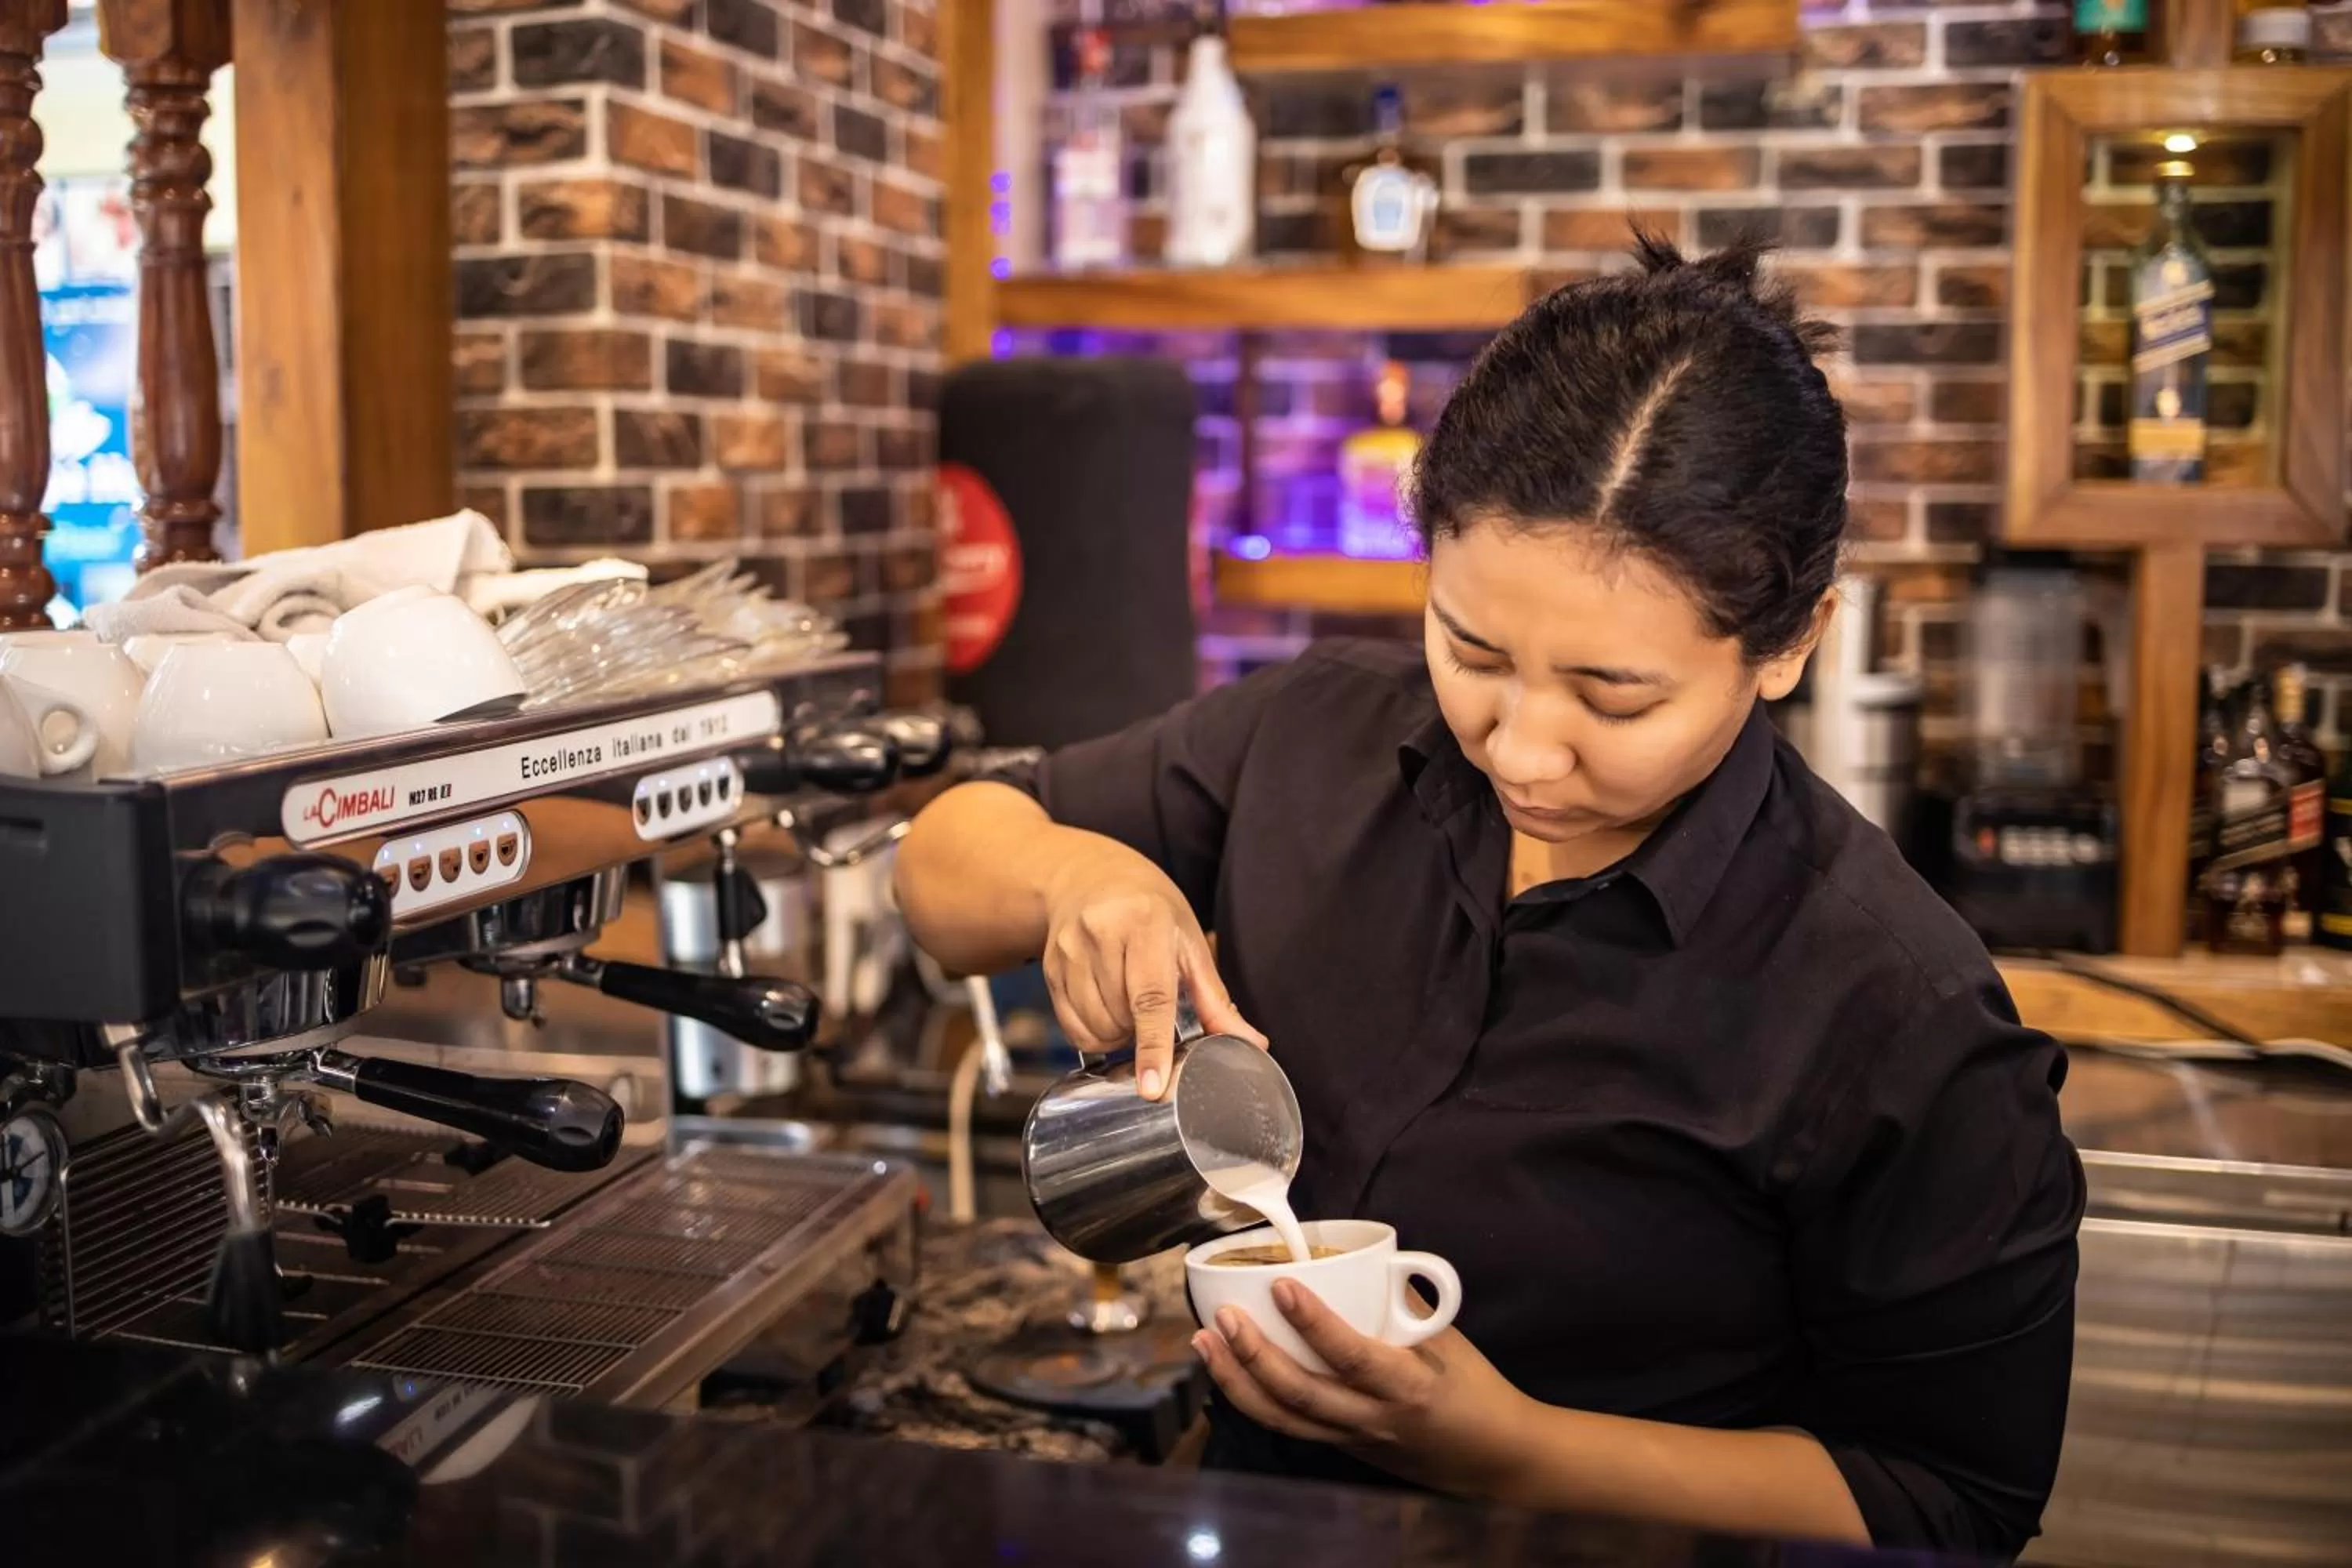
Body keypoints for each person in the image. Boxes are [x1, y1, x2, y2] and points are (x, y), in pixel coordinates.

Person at [893, 234, 2084, 1561]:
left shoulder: (1898, 1010)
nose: (1520, 750)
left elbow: (1950, 1503)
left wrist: (1509, 1450)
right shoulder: (1318, 732)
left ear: (1792, 642)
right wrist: (1080, 871)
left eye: (1612, 698)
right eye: (1471, 650)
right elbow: (941, 863)